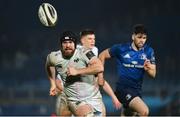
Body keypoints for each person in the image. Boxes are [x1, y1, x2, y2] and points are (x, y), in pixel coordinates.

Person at [98, 24, 156, 116]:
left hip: (137, 90)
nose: (142, 40)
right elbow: (102, 55)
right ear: (133, 36)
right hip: (123, 89)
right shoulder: (121, 48)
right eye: (139, 37)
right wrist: (100, 76)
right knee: (144, 111)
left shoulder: (149, 51)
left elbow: (153, 74)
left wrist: (148, 69)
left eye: (144, 38)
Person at [45, 31, 105, 116]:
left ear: (75, 44)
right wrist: (53, 83)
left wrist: (77, 71)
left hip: (94, 98)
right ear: (61, 44)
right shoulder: (54, 56)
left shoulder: (85, 52)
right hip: (75, 99)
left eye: (70, 42)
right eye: (65, 43)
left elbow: (100, 67)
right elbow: (48, 65)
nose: (68, 45)